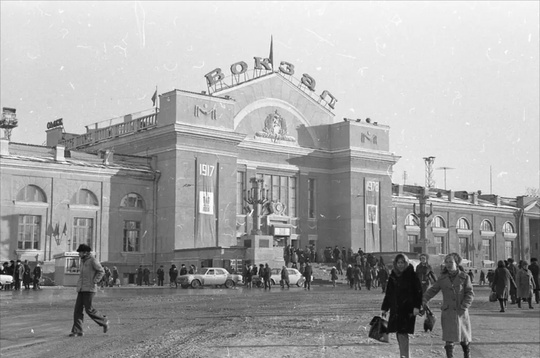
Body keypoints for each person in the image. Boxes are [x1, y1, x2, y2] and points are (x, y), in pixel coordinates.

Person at [423, 253, 474, 358]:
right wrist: (423, 299)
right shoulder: (442, 279)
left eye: (451, 262)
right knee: (449, 340)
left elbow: (470, 293)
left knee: (464, 339)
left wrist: (464, 306)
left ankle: (467, 355)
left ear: (456, 263)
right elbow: (432, 291)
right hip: (448, 312)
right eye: (446, 262)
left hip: (461, 312)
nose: (448, 264)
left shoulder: (464, 277)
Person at [381, 253, 422, 358]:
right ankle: (404, 354)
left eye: (402, 262)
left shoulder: (412, 275)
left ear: (406, 263)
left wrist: (417, 306)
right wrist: (385, 308)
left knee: (403, 332)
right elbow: (389, 293)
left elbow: (418, 292)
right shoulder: (393, 275)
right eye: (398, 262)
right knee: (399, 333)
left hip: (407, 309)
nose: (400, 265)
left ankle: (404, 355)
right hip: (396, 308)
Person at [69, 244, 109, 337]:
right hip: (82, 289)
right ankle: (77, 331)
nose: (79, 254)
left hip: (90, 289)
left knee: (89, 310)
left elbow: (101, 271)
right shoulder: (83, 261)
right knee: (77, 310)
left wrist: (95, 281)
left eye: (80, 252)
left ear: (85, 252)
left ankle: (104, 321)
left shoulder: (92, 260)